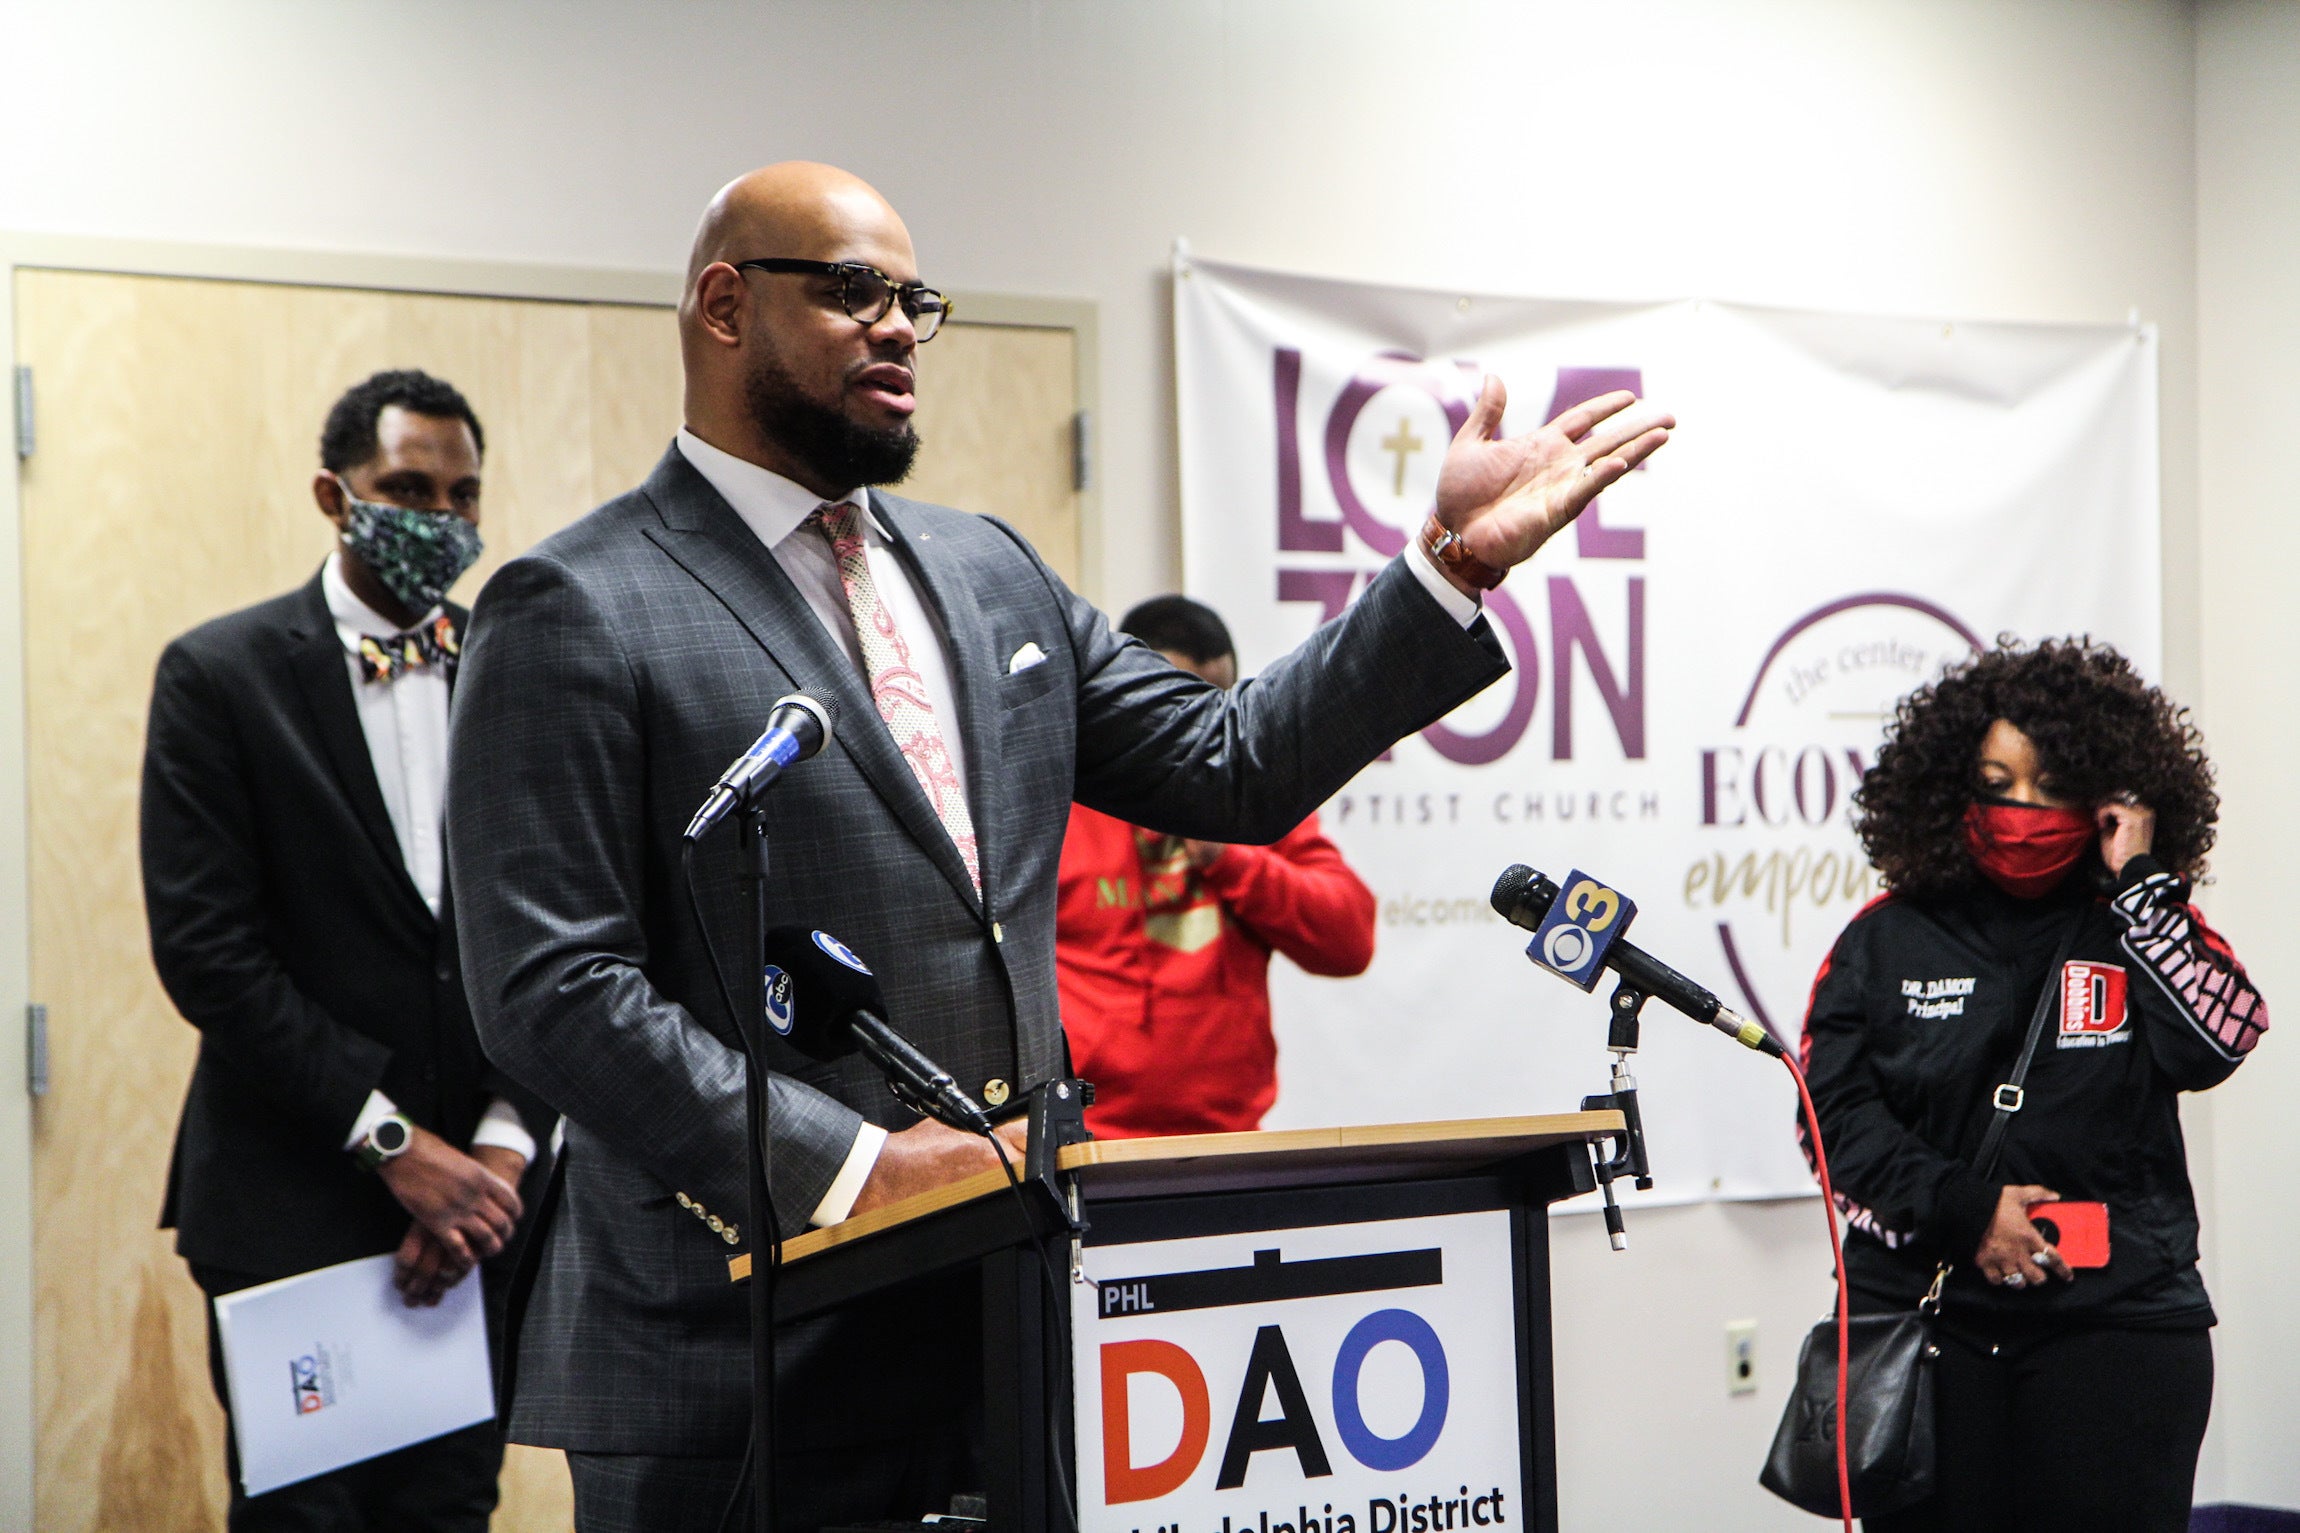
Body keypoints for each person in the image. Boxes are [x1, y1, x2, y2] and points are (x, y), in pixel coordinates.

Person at [444, 160, 1670, 1533]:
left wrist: (1449, 563)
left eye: (915, 298)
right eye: (854, 291)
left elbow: (1235, 759)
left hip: (1006, 1324)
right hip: (737, 1354)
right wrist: (855, 1167)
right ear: (725, 307)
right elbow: (547, 990)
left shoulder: (987, 570)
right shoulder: (577, 603)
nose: (900, 324)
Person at [140, 369, 548, 1531]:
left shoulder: (516, 665)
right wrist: (394, 1148)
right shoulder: (221, 677)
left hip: (484, 1217)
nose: (444, 522)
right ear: (335, 494)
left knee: (454, 1514)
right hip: (293, 1205)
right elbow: (209, 955)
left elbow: (570, 934)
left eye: (465, 496)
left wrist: (500, 1158)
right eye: (408, 488)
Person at [1800, 638, 2267, 1533]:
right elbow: (1830, 1121)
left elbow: (2224, 1036)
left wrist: (2139, 883)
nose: (2022, 810)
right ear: (1948, 791)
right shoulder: (1885, 938)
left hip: (2119, 1329)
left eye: (2053, 787)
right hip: (1929, 1328)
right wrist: (1966, 1208)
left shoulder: (2138, 925)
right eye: (1997, 782)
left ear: (2105, 798)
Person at [1055, 594, 1376, 1137]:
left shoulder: (1249, 796)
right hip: (1087, 1142)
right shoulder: (1060, 798)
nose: (1206, 729)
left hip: (1229, 1138)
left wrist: (1230, 859)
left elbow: (1348, 939)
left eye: (1221, 706)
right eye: (1184, 707)